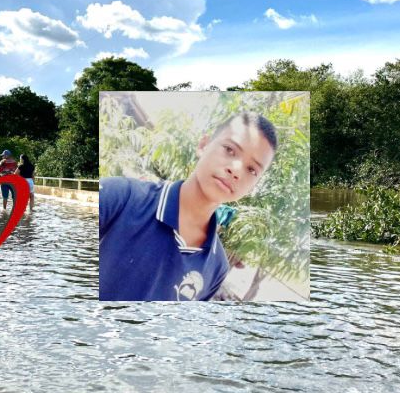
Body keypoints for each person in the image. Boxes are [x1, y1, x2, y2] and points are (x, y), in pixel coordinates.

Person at [99, 112, 277, 301]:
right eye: (229, 150)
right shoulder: (120, 196)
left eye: (252, 169)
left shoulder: (217, 267)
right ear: (203, 145)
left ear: (253, 186)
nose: (236, 170)